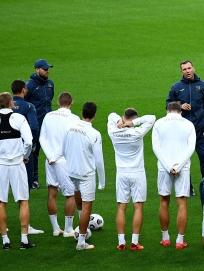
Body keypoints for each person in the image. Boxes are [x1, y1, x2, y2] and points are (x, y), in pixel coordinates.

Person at [0, 80, 43, 235]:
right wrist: (26, 153)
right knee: (23, 196)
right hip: (19, 158)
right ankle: (25, 232)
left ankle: (0, 230)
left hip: (0, 163)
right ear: (24, 90)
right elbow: (34, 130)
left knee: (1, 198)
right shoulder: (27, 108)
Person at [107, 108, 155, 251]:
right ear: (135, 119)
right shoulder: (138, 132)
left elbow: (110, 115)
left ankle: (121, 242)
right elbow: (151, 117)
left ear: (123, 117)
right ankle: (134, 242)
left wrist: (119, 121)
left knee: (121, 208)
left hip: (121, 173)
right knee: (138, 207)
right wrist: (133, 123)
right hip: (137, 173)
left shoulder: (113, 132)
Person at [166, 60, 204, 195]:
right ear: (181, 72)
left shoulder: (203, 86)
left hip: (199, 130)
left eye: (189, 68)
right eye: (184, 69)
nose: (187, 71)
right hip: (182, 132)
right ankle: (188, 187)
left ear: (193, 68)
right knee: (184, 160)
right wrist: (180, 106)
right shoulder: (176, 87)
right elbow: (168, 105)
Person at [152, 102, 196, 249]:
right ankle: (179, 240)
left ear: (167, 111)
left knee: (164, 202)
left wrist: (168, 166)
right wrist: (179, 165)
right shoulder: (189, 124)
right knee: (182, 204)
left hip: (164, 168)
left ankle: (165, 238)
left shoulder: (158, 123)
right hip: (183, 169)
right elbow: (191, 147)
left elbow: (156, 147)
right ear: (180, 112)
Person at [62, 102, 105, 250]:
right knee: (88, 206)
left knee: (77, 195)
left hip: (71, 171)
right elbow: (99, 160)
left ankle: (82, 225)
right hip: (86, 174)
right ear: (94, 115)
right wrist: (102, 182)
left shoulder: (69, 127)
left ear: (81, 113)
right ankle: (81, 242)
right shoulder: (94, 134)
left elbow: (64, 147)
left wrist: (69, 163)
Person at [39, 92, 81, 237]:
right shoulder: (74, 119)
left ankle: (56, 228)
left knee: (52, 193)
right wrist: (56, 156)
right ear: (72, 103)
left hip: (50, 161)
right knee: (70, 195)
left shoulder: (48, 116)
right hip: (65, 161)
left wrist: (50, 156)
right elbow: (70, 142)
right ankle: (68, 229)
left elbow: (42, 138)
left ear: (58, 103)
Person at [25, 59, 54, 189]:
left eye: (48, 68)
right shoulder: (29, 86)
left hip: (49, 124)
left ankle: (55, 180)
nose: (47, 70)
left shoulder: (50, 84)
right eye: (44, 68)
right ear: (37, 70)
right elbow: (25, 105)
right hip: (36, 125)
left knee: (54, 151)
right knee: (34, 152)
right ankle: (33, 179)